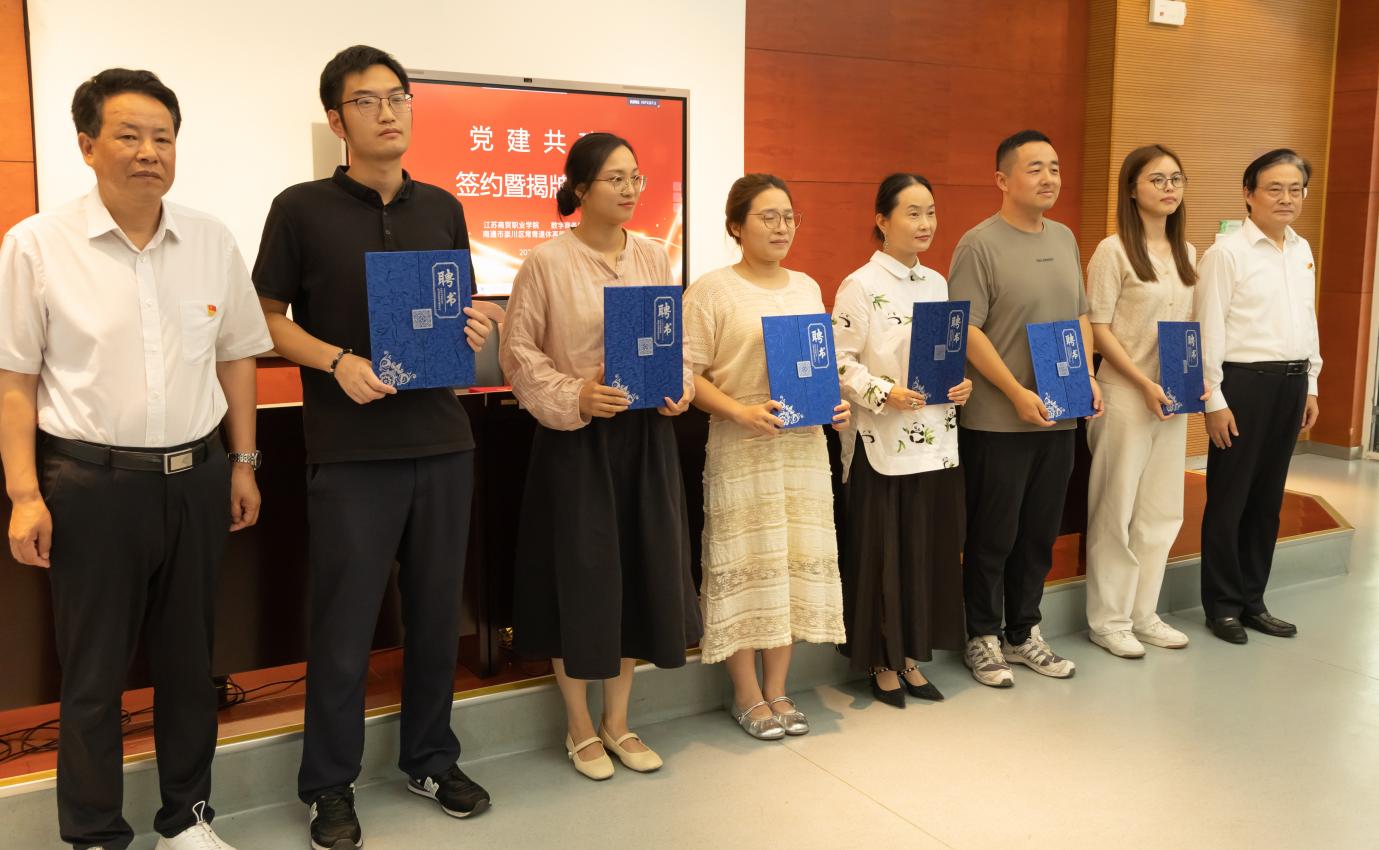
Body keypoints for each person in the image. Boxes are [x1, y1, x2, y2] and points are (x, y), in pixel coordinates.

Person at [0, 68, 271, 850]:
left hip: (197, 479)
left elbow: (237, 357)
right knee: (92, 675)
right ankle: (93, 833)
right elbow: (15, 381)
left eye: (163, 137)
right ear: (88, 146)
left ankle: (186, 820)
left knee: (191, 665)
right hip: (91, 485)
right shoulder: (37, 245)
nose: (150, 151)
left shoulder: (211, 240)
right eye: (129, 135)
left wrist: (243, 461)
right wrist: (24, 494)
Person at [253, 45, 495, 850]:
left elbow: (452, 308)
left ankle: (429, 759)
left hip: (443, 441)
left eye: (398, 96)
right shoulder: (300, 208)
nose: (388, 112)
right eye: (367, 100)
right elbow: (268, 319)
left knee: (435, 616)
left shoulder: (443, 207)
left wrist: (473, 326)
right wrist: (336, 362)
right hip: (352, 451)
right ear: (337, 119)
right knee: (344, 627)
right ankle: (329, 783)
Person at [499, 132, 701, 779]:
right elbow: (518, 356)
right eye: (616, 178)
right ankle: (579, 726)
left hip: (644, 443)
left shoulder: (653, 256)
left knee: (637, 575)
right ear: (581, 188)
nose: (631, 189)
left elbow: (677, 343)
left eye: (636, 177)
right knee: (581, 580)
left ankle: (618, 721)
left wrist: (679, 386)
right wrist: (577, 394)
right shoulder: (545, 262)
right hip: (577, 443)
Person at [683, 174, 850, 738]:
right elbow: (687, 376)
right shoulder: (711, 290)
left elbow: (817, 368)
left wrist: (833, 405)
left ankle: (779, 688)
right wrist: (739, 411)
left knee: (790, 566)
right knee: (747, 566)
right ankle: (745, 694)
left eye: (789, 217)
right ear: (736, 226)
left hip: (802, 449)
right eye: (768, 217)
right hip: (743, 446)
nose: (782, 228)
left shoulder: (806, 286)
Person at [949, 129, 1103, 688]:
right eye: (1035, 168)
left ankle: (1023, 632)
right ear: (1002, 179)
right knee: (994, 535)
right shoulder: (978, 244)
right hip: (998, 420)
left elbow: (1080, 316)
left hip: (1059, 414)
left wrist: (1087, 377)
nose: (1049, 178)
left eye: (1055, 167)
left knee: (1039, 533)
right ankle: (981, 636)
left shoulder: (1064, 237)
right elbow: (968, 332)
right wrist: (1016, 392)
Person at [832, 173, 972, 707]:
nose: (925, 223)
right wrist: (882, 391)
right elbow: (839, 363)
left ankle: (910, 656)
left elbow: (943, 356)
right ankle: (880, 660)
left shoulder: (936, 282)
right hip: (881, 441)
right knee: (882, 554)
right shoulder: (859, 284)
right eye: (912, 213)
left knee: (921, 552)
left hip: (935, 441)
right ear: (882, 220)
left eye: (930, 211)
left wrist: (961, 384)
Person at [1084, 145, 1207, 658]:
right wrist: (1142, 382)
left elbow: (1188, 329)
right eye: (1157, 179)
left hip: (1171, 397)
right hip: (1124, 394)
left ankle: (1144, 614)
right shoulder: (1112, 251)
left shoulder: (1188, 253)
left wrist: (1194, 380)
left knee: (1161, 510)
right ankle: (1108, 620)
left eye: (1175, 178)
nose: (1169, 187)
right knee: (1115, 510)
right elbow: (1098, 328)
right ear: (1132, 189)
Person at [1196, 148, 1321, 645]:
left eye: (1295, 189)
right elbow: (1207, 328)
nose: (1286, 198)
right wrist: (1214, 400)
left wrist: (1311, 383)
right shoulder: (1226, 253)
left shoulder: (1301, 248)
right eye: (1274, 188)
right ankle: (1223, 606)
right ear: (1248, 194)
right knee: (1230, 498)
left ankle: (1253, 601)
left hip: (1291, 383)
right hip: (1242, 385)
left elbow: (1306, 319)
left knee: (1268, 500)